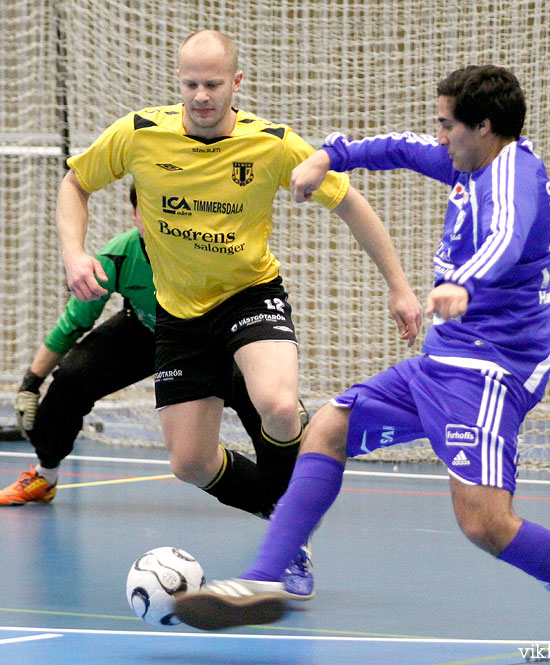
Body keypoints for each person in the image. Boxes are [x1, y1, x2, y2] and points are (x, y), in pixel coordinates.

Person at [172, 65, 550, 662]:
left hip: (490, 369)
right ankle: (265, 576)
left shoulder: (514, 174)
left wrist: (464, 282)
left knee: (486, 524)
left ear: (484, 127)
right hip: (445, 361)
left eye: (447, 125)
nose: (438, 136)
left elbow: (507, 237)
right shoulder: (473, 162)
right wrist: (330, 157)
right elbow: (399, 149)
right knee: (329, 427)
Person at [54, 31, 421, 601]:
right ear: (178, 83)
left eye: (213, 84)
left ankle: (289, 519)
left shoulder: (270, 145)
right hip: (179, 316)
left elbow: (350, 202)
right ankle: (285, 521)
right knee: (190, 464)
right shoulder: (140, 135)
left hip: (249, 295)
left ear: (237, 83)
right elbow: (76, 182)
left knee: (277, 404)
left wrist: (399, 288)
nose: (201, 96)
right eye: (190, 84)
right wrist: (75, 252)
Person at [0, 184, 310, 595]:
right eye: (147, 211)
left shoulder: (207, 248)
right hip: (144, 332)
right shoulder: (118, 256)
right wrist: (30, 384)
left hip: (210, 339)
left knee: (265, 406)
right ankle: (45, 474)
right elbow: (75, 321)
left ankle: (287, 517)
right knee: (72, 379)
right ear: (134, 215)